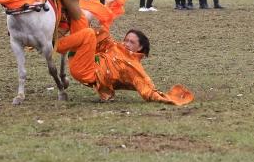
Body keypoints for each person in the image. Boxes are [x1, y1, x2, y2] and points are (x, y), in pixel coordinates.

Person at [56, 24, 193, 105]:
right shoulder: (115, 46)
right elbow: (104, 37)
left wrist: (166, 99)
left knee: (88, 34)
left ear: (140, 47)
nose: (126, 43)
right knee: (82, 22)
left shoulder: (134, 67)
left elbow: (148, 90)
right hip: (80, 60)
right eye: (126, 40)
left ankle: (54, 45)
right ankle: (58, 27)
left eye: (131, 42)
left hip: (87, 71)